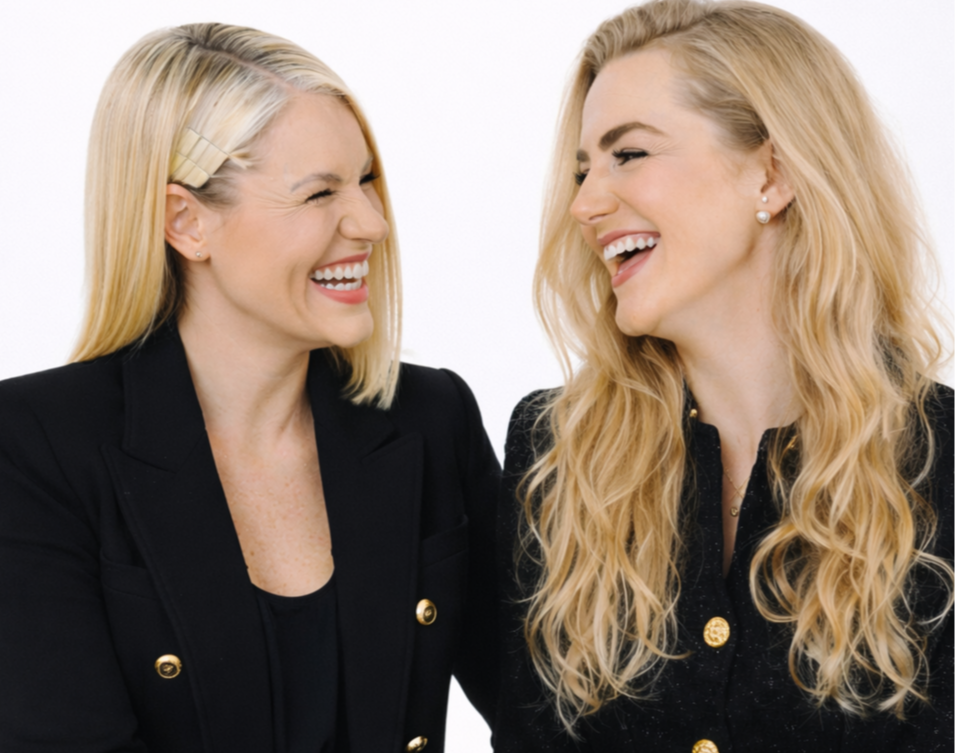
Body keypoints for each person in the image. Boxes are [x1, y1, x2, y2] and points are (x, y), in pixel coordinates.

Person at [0, 23, 499, 753]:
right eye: (318, 193)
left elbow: (552, 711)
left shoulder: (431, 417)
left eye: (366, 180)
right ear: (186, 222)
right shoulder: (33, 446)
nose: (372, 222)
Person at [493, 1, 955, 751]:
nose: (583, 205)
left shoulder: (941, 461)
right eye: (582, 171)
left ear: (771, 174)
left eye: (628, 154)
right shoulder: (554, 455)